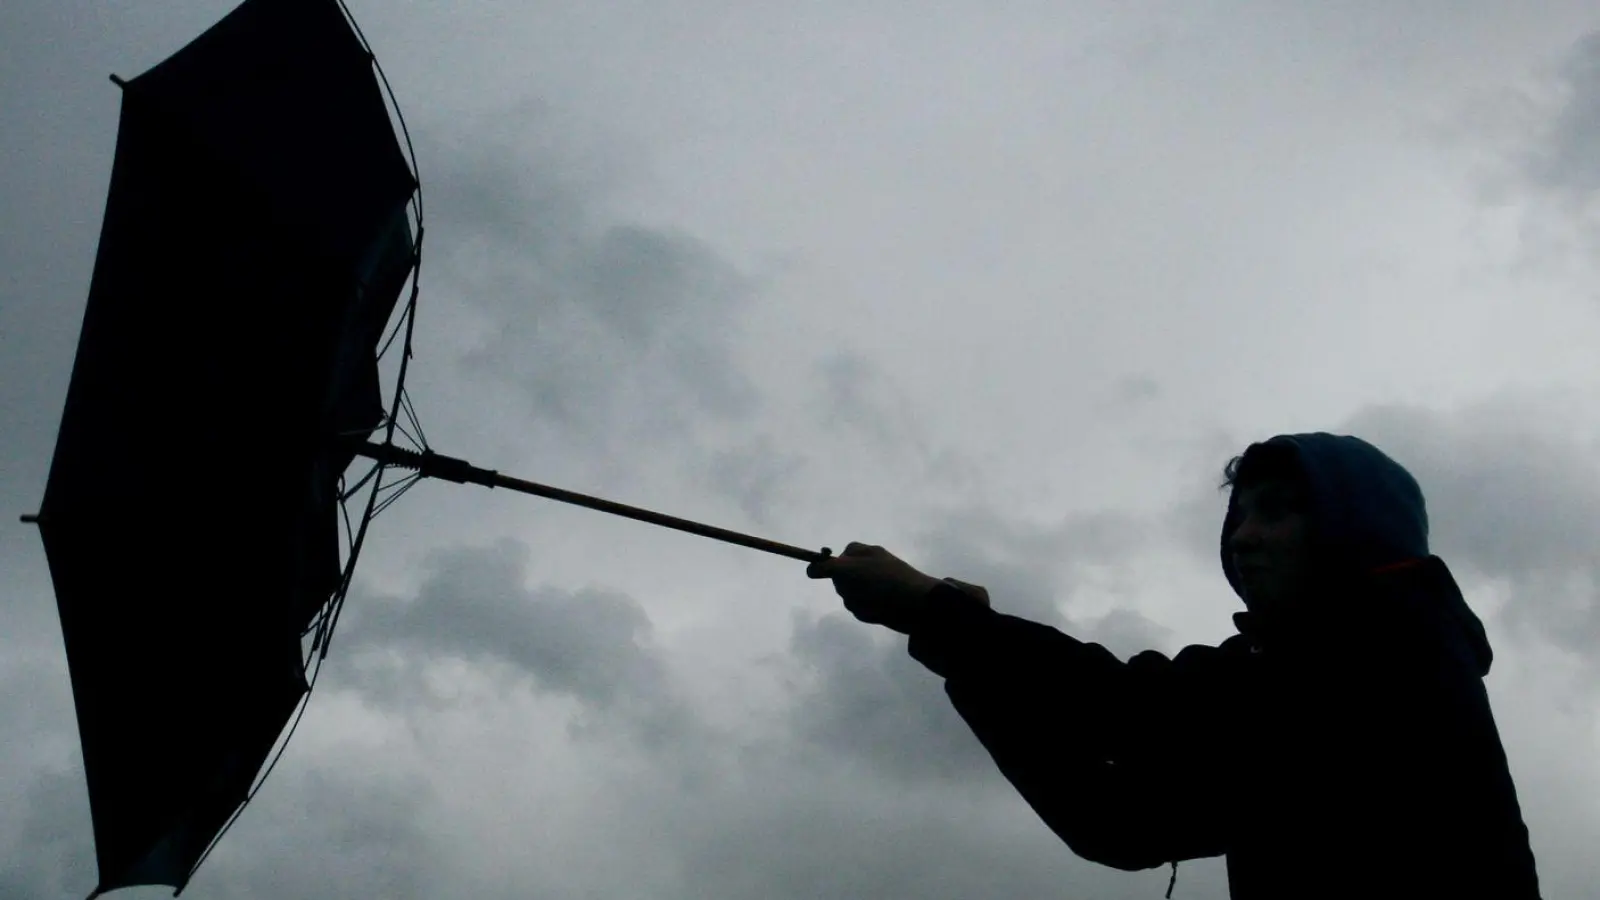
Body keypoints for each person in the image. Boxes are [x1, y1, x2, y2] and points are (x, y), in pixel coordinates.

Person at [807, 432, 1542, 899]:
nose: (1245, 538)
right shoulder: (1286, 677)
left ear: (1361, 529)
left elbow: (1134, 711)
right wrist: (962, 657)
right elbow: (1119, 824)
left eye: (1280, 511)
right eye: (1240, 517)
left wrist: (938, 615)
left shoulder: (1393, 645)